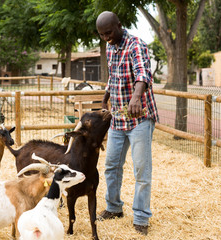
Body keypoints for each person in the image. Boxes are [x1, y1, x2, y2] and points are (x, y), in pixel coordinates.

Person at [96, 11, 159, 236]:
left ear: (119, 26)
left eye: (109, 32)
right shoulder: (109, 47)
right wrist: (105, 97)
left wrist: (135, 97)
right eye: (102, 35)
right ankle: (114, 207)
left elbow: (143, 74)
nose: (106, 38)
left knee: (142, 170)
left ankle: (141, 217)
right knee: (111, 166)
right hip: (118, 118)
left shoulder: (136, 45)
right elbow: (113, 76)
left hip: (140, 117)